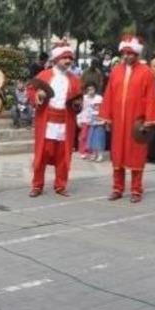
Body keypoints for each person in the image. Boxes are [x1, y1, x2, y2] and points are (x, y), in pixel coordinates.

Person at [97, 35, 155, 203]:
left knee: (136, 155)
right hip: (118, 122)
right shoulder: (116, 71)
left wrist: (148, 120)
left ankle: (136, 190)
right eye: (125, 53)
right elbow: (109, 94)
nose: (127, 56)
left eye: (130, 53)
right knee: (117, 154)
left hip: (136, 123)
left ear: (137, 54)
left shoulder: (146, 73)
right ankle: (117, 188)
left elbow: (151, 97)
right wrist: (107, 117)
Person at [27, 43, 82, 196]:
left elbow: (79, 101)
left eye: (70, 58)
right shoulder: (44, 75)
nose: (68, 61)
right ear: (57, 58)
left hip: (65, 122)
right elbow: (31, 90)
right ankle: (37, 185)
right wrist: (38, 95)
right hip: (47, 121)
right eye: (64, 58)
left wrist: (78, 104)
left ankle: (60, 185)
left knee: (63, 156)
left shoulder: (75, 79)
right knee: (42, 154)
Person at [83, 84, 105, 161]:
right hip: (91, 122)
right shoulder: (85, 98)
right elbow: (86, 109)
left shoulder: (99, 98)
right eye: (89, 89)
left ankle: (100, 154)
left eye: (92, 89)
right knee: (91, 139)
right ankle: (93, 154)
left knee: (99, 139)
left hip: (100, 123)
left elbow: (102, 109)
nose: (91, 91)